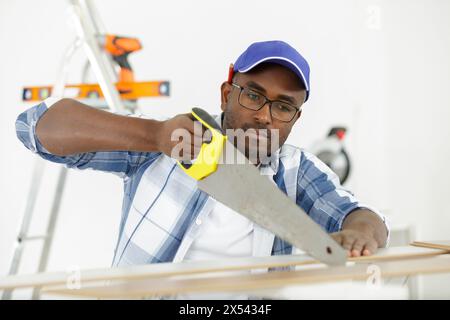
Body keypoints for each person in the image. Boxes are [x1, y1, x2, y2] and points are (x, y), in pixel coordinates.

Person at [15, 40, 389, 298]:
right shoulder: (169, 139)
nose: (263, 115)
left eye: (283, 106)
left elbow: (364, 219)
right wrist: (153, 134)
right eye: (254, 95)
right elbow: (33, 128)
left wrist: (358, 233)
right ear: (227, 94)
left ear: (295, 118)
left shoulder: (298, 170)